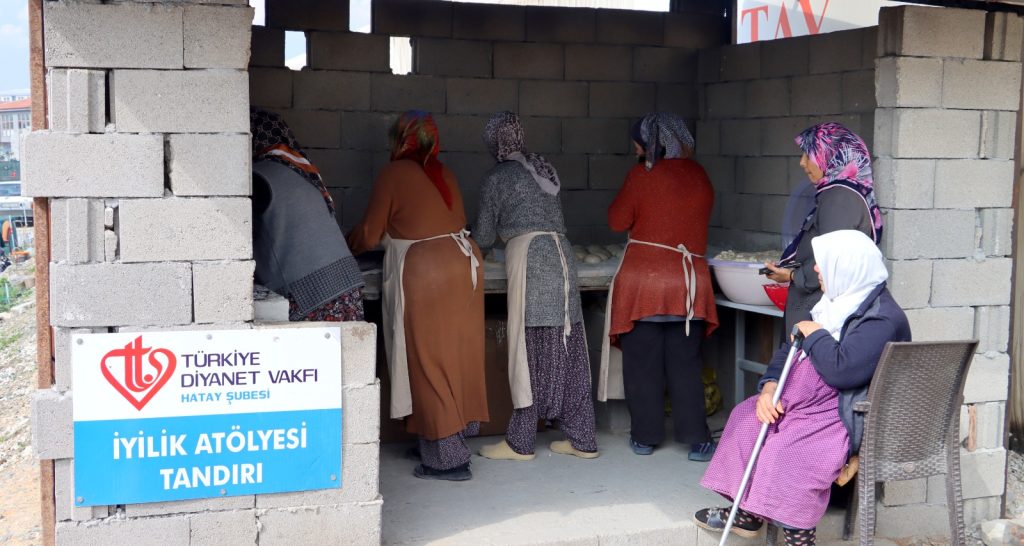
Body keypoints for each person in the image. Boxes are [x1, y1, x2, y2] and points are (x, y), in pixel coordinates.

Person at [696, 230, 911, 545]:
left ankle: (799, 535)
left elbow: (843, 371)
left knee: (788, 451)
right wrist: (769, 389)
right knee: (746, 419)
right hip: (802, 400)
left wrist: (814, 334)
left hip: (842, 411)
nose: (816, 270)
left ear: (847, 267)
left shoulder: (881, 318)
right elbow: (789, 349)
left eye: (824, 264)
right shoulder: (836, 301)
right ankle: (747, 512)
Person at [347, 110, 488, 481]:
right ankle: (434, 438)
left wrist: (345, 243)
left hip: (427, 272)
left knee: (427, 362)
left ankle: (449, 459)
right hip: (464, 265)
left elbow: (371, 232)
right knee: (453, 358)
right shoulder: (446, 174)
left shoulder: (393, 174)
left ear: (401, 140)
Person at [473, 112, 598, 462]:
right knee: (568, 343)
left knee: (529, 351)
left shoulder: (498, 176)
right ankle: (583, 438)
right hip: (562, 256)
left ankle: (520, 442)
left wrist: (463, 243)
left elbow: (482, 236)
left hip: (533, 261)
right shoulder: (543, 168)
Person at [599, 112, 719, 461]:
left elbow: (616, 220)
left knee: (643, 365)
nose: (634, 147)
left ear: (654, 144)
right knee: (686, 365)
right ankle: (697, 439)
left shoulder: (642, 175)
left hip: (644, 286)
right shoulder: (700, 175)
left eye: (638, 140)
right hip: (688, 284)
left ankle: (645, 436)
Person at [763, 122, 883, 334]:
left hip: (818, 315)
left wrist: (791, 276)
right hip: (817, 312)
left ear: (831, 155)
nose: (802, 163)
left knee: (800, 367)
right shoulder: (845, 193)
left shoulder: (840, 198)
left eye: (808, 155)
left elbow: (832, 264)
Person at [250, 108, 365, 322]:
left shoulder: (258, 177)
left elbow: (241, 240)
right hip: (347, 285)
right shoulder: (301, 170)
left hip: (310, 293)